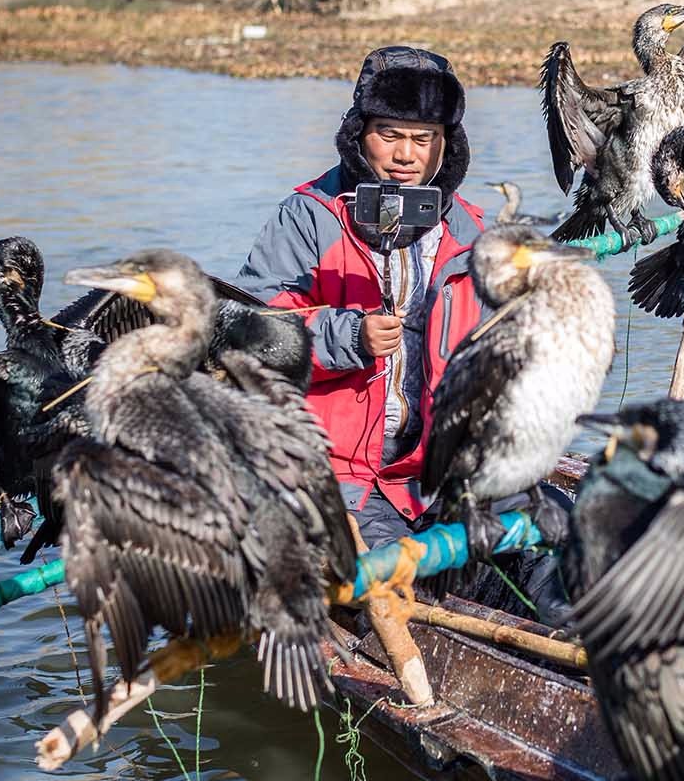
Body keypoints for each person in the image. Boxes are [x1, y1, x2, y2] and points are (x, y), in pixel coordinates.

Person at [235, 46, 564, 615]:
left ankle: (579, 645)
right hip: (341, 477)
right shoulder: (309, 216)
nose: (406, 155)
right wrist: (345, 337)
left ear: (445, 144)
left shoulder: (473, 230)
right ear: (360, 133)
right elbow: (251, 333)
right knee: (395, 594)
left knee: (558, 531)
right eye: (390, 135)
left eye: (423, 138)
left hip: (441, 469)